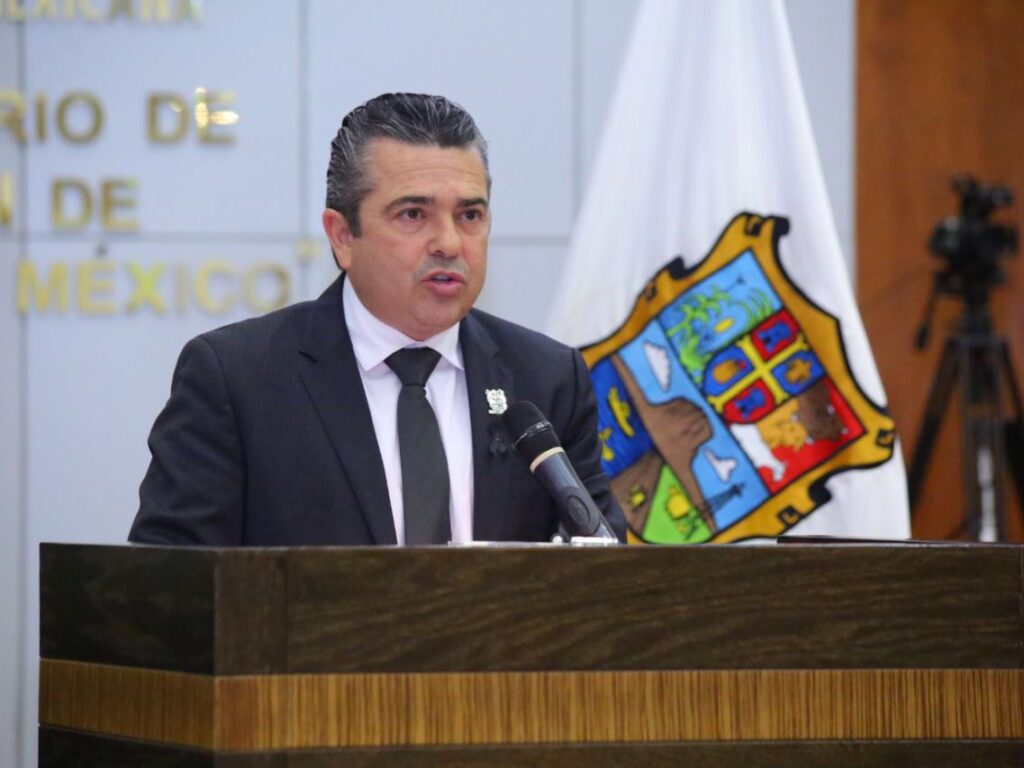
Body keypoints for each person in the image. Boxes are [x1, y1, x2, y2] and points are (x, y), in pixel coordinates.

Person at [129, 93, 623, 546]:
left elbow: (606, 573)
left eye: (469, 215)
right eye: (413, 215)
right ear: (342, 236)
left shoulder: (548, 378)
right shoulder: (237, 380)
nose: (449, 243)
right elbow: (169, 583)